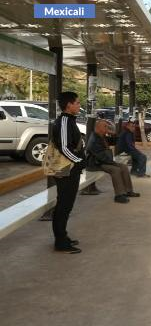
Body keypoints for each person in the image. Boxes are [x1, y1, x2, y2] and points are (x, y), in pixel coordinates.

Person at [51, 92, 86, 254]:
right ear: (68, 105)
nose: (79, 105)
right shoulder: (64, 121)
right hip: (67, 170)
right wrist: (79, 161)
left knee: (66, 205)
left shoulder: (68, 120)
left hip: (71, 170)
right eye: (77, 103)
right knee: (64, 206)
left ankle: (62, 236)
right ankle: (60, 242)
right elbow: (64, 147)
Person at [86, 119, 140, 203]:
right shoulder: (94, 139)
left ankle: (128, 191)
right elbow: (100, 156)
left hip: (104, 161)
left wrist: (113, 134)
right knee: (116, 170)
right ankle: (119, 195)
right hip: (95, 163)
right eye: (105, 126)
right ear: (98, 128)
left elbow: (115, 141)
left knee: (123, 167)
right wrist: (113, 163)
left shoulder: (102, 136)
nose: (107, 128)